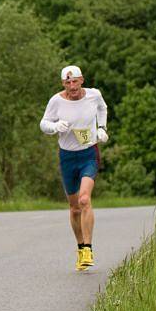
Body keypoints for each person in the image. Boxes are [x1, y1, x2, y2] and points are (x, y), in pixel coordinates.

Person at [40, 65, 108, 272]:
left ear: (82, 80)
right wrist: (54, 127)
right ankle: (80, 247)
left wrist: (102, 128)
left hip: (88, 153)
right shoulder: (56, 101)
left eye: (75, 81)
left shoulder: (93, 95)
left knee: (84, 199)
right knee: (74, 207)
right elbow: (43, 123)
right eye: (67, 83)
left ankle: (88, 249)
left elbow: (102, 108)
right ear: (63, 84)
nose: (72, 86)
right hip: (67, 157)